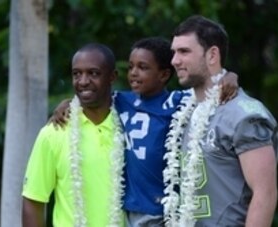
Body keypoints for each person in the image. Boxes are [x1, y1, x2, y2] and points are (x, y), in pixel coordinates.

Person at [49, 37, 239, 226]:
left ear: (164, 75)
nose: (134, 73)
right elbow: (92, 97)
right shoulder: (120, 100)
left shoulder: (178, 102)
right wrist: (67, 103)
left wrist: (230, 76)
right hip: (127, 208)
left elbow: (209, 92)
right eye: (131, 67)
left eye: (143, 67)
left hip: (161, 208)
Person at [162, 15, 278, 227]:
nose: (174, 60)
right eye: (174, 52)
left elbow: (265, 194)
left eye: (184, 51)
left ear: (212, 55)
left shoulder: (244, 114)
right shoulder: (181, 109)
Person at [22, 43, 125, 227]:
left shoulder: (130, 126)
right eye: (76, 74)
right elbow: (33, 201)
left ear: (112, 77)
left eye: (93, 73)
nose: (83, 81)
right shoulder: (54, 131)